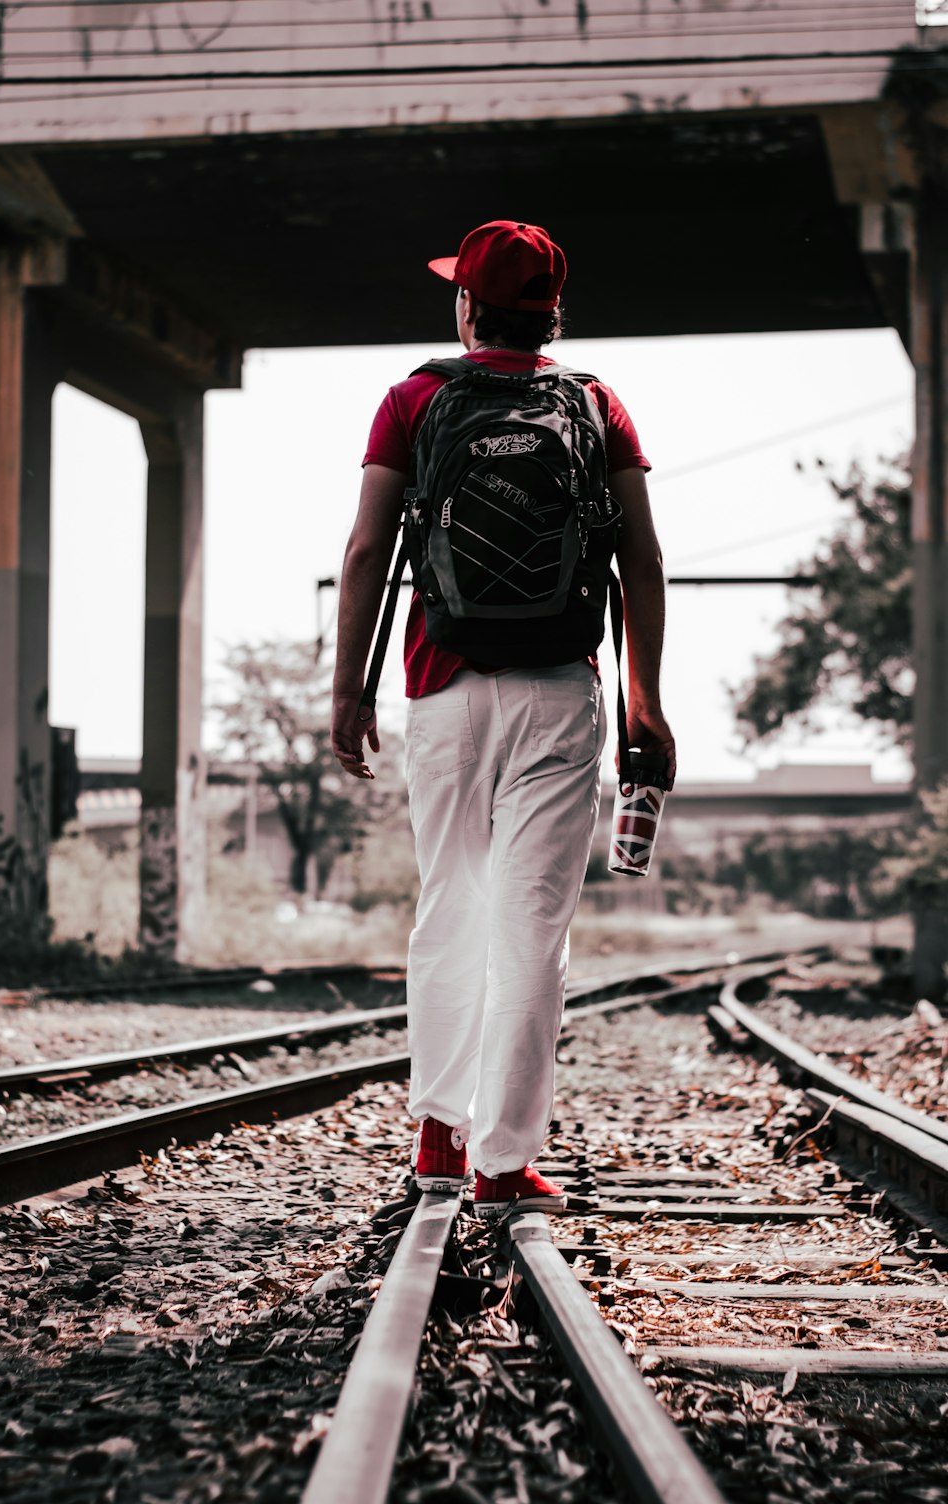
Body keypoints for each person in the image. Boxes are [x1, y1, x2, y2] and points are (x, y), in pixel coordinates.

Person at [331, 221, 675, 1216]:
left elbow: (365, 553)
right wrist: (645, 698)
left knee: (453, 903)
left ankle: (437, 1137)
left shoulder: (414, 399)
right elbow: (640, 561)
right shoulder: (598, 406)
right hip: (560, 694)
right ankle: (501, 1161)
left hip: (443, 688)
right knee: (531, 925)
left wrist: (347, 689)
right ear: (551, 312)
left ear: (469, 309)